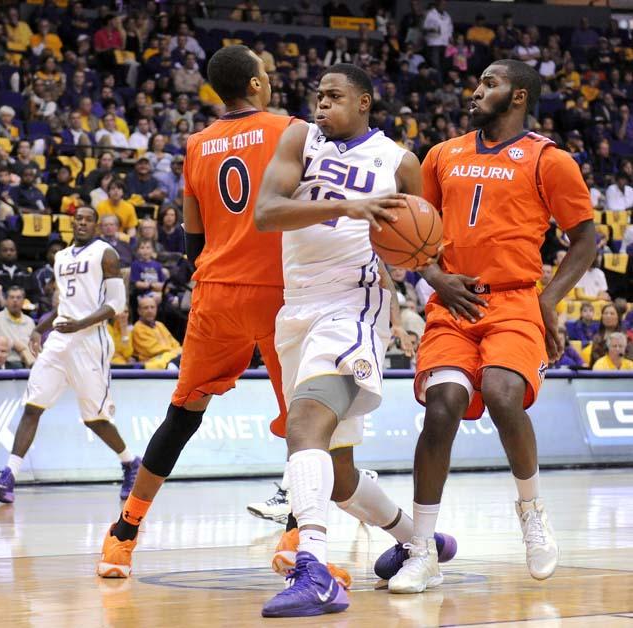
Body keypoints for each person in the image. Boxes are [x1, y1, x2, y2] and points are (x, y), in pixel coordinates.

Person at [380, 59, 596, 594]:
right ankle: (422, 550)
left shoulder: (550, 159)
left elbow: (586, 241)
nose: (476, 91)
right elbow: (413, 233)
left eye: (489, 84)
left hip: (515, 300)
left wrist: (548, 301)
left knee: (503, 393)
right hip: (453, 305)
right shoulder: (441, 154)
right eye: (478, 82)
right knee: (443, 403)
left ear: (518, 96)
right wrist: (435, 277)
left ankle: (532, 511)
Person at [254, 63, 454, 618]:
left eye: (334, 96)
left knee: (303, 425)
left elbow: (420, 246)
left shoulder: (399, 162)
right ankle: (423, 544)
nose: (321, 104)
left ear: (365, 102)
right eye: (318, 95)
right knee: (339, 476)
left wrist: (441, 284)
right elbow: (266, 215)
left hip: (353, 305)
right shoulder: (301, 137)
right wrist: (347, 205)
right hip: (296, 310)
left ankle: (314, 570)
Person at [96, 45, 293, 579]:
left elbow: (191, 238)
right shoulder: (291, 129)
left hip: (215, 291)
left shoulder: (196, 143)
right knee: (307, 422)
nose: (271, 80)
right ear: (255, 84)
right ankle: (296, 538)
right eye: (268, 73)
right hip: (278, 293)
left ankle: (123, 536)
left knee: (182, 416)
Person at [0, 206, 140, 504]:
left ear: (97, 225)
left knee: (95, 419)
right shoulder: (61, 258)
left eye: (89, 220)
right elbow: (65, 304)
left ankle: (130, 463)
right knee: (32, 405)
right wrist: (39, 328)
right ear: (72, 224)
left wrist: (81, 323)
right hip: (59, 340)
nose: (82, 224)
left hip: (91, 342)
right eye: (79, 219)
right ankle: (8, 478)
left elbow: (116, 303)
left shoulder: (106, 253)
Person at [0, 286, 36, 367]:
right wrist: (13, 344)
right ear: (6, 300)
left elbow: (34, 346)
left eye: (18, 298)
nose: (15, 300)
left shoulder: (30, 322)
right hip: (6, 363)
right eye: (12, 297)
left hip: (28, 362)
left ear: (23, 301)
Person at [131, 295, 181, 368]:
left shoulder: (159, 325)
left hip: (171, 356)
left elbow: (175, 344)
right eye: (146, 308)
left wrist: (179, 351)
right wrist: (176, 352)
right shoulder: (138, 328)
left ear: (156, 309)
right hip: (153, 361)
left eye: (152, 307)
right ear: (139, 311)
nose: (150, 310)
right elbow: (153, 351)